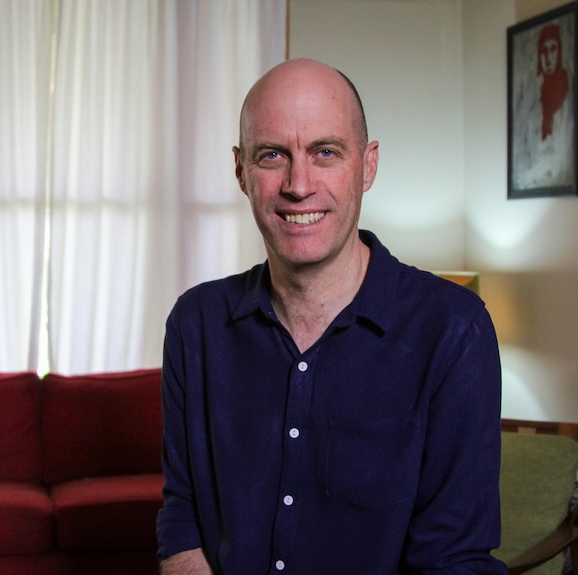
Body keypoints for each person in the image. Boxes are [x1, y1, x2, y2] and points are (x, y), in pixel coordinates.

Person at [156, 58, 505, 575]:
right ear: (241, 172)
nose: (299, 184)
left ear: (367, 165)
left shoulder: (454, 330)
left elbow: (454, 561)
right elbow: (183, 517)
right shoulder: (196, 325)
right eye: (272, 155)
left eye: (325, 152)